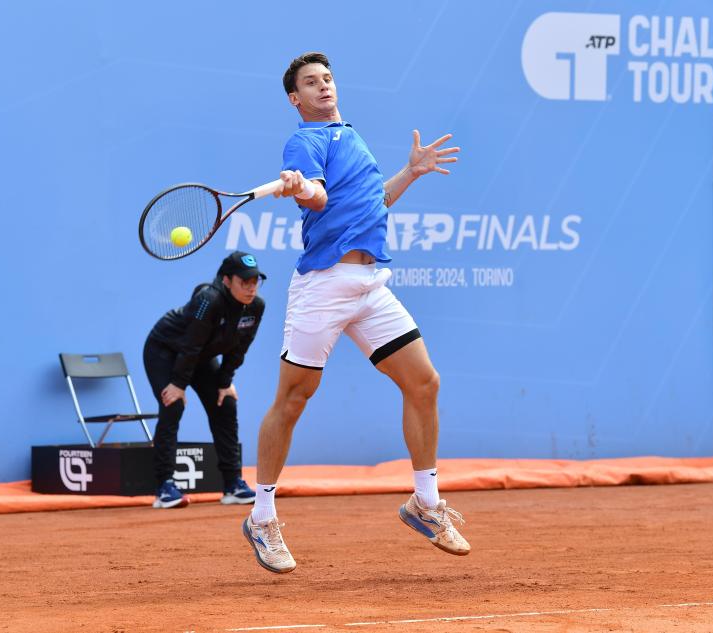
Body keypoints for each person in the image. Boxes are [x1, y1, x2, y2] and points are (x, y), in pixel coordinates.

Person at [241, 52, 469, 573]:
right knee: (294, 398)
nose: (323, 86)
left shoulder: (352, 136)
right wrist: (304, 187)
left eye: (327, 78)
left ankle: (425, 504)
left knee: (423, 383)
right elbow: (318, 197)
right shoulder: (306, 140)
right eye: (310, 82)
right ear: (295, 98)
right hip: (323, 286)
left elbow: (371, 204)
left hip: (370, 285)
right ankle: (262, 515)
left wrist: (409, 173)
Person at [144, 251, 266, 508]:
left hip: (199, 356)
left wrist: (224, 382)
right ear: (226, 280)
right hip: (165, 350)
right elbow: (190, 344)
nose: (251, 287)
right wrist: (177, 384)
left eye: (255, 281)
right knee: (172, 404)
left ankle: (233, 484)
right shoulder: (207, 300)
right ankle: (164, 487)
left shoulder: (256, 307)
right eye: (244, 281)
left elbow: (239, 349)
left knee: (226, 403)